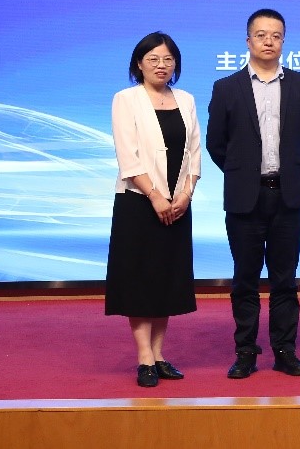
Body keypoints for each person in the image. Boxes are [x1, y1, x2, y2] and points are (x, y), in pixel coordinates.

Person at [206, 9, 300, 379]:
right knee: (245, 279)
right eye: (261, 34)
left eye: (276, 35)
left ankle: (285, 351)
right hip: (245, 197)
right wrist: (242, 173)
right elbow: (216, 144)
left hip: (287, 195)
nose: (268, 41)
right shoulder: (226, 87)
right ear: (248, 40)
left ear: (283, 41)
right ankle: (245, 352)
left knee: (285, 279)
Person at [106, 31, 201, 388]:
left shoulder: (186, 99)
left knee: (166, 281)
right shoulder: (126, 99)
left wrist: (186, 194)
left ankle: (160, 355)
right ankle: (144, 357)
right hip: (138, 203)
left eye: (168, 59)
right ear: (139, 64)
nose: (161, 65)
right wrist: (155, 196)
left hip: (178, 204)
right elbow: (127, 155)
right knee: (140, 281)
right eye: (153, 59)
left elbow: (194, 152)